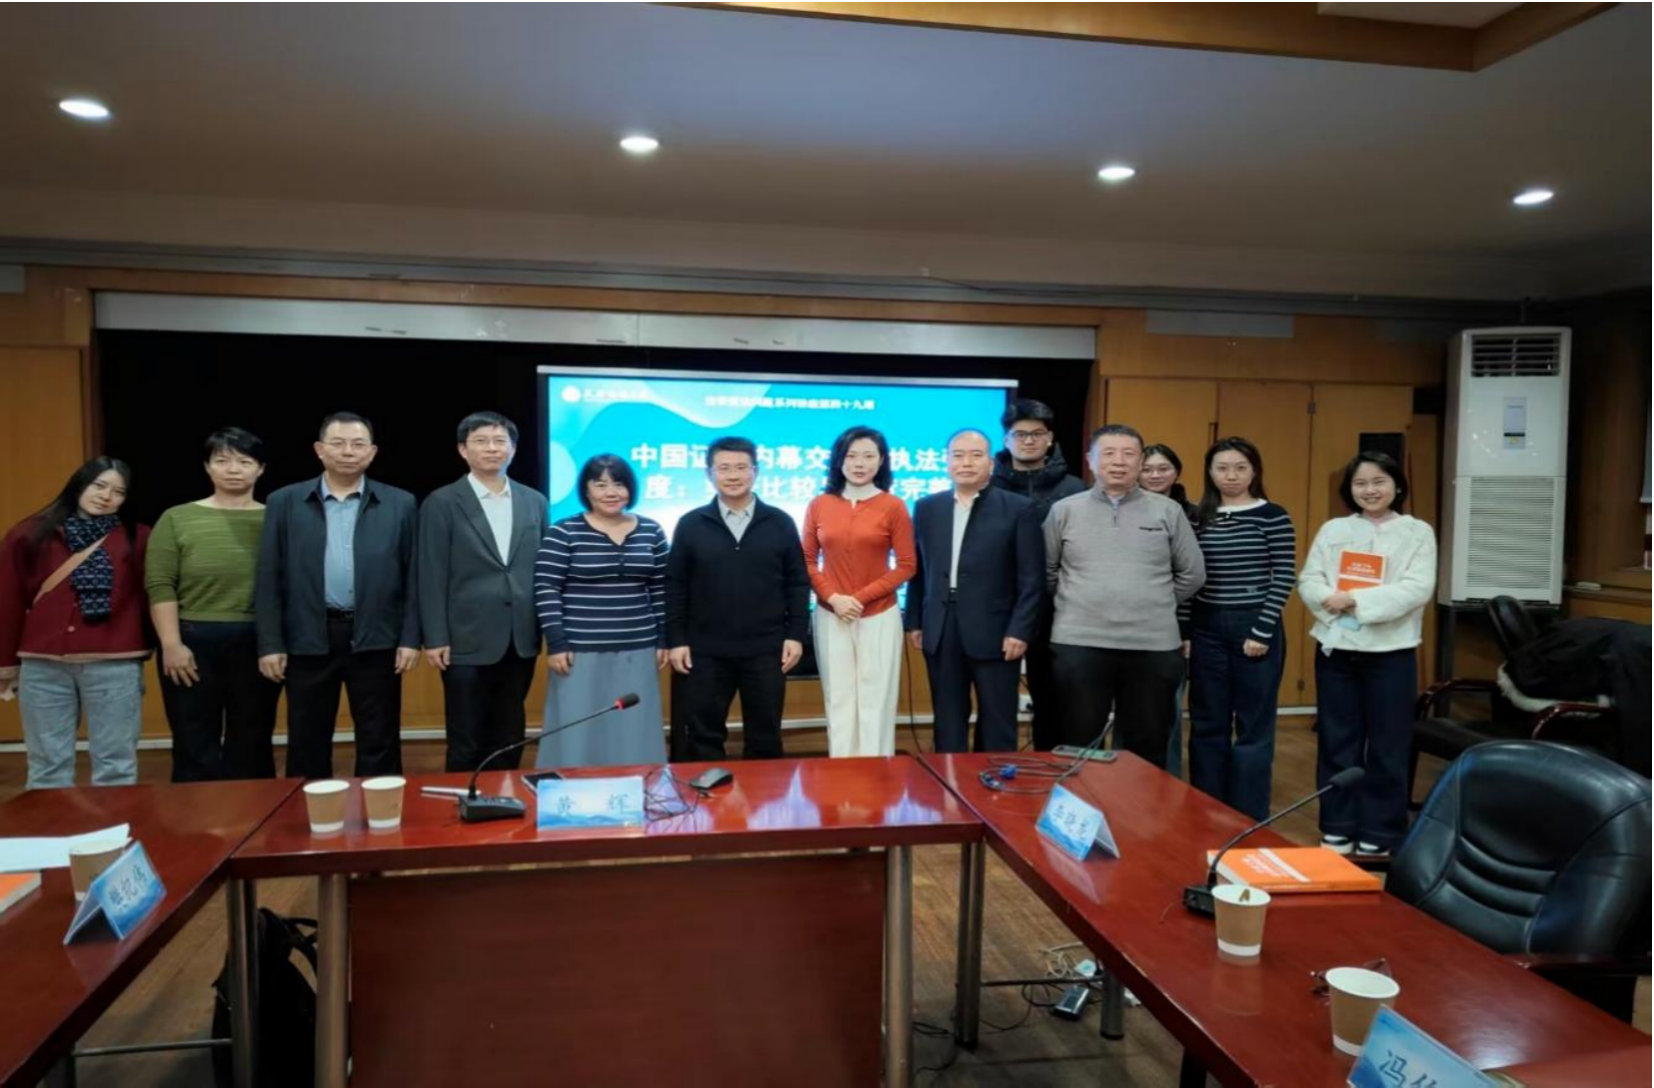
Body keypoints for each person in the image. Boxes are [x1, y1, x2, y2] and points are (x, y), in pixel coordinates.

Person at [255, 412, 420, 779]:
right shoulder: (285, 501)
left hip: (377, 636)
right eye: (338, 443)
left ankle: (380, 811)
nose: (348, 452)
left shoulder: (400, 503)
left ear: (372, 452)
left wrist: (410, 639)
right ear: (319, 449)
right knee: (307, 738)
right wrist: (270, 643)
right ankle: (308, 811)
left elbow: (413, 575)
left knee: (380, 737)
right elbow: (269, 577)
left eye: (358, 444)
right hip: (307, 636)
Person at [1299, 451, 1436, 857]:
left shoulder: (1416, 532)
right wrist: (1330, 598)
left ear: (1397, 485)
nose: (1370, 490)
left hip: (1390, 652)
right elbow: (1309, 579)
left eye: (1379, 482)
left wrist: (1354, 600)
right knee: (1337, 739)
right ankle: (1336, 826)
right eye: (1361, 483)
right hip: (1336, 650)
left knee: (1388, 743)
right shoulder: (1334, 529)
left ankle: (1381, 829)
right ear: (1350, 489)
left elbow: (1416, 588)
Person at [1043, 425, 1204, 765]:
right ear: (1089, 460)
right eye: (1109, 453)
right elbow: (1047, 571)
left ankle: (1139, 803)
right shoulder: (1064, 510)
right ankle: (1084, 802)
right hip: (1080, 642)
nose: (1119, 461)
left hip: (1152, 645)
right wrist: (1081, 599)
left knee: (1148, 744)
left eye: (1129, 454)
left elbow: (1192, 573)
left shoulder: (1167, 511)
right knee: (1078, 742)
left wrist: (1153, 600)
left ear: (1140, 461)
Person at [0, 457, 151, 788]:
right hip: (43, 665)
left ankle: (114, 824)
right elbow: (7, 599)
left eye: (118, 492)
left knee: (116, 766)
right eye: (99, 485)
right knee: (46, 767)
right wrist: (6, 662)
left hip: (114, 664)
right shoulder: (29, 533)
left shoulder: (138, 537)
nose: (106, 496)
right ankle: (49, 824)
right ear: (79, 484)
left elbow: (150, 597)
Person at [146, 428, 280, 781]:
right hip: (191, 639)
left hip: (258, 640)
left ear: (261, 469)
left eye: (244, 462)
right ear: (207, 467)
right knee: (193, 740)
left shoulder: (277, 518)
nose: (233, 469)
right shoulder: (176, 518)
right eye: (222, 461)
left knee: (252, 739)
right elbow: (160, 585)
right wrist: (171, 644)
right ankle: (196, 816)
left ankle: (253, 813)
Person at [418, 412, 549, 772]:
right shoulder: (442, 502)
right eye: (481, 441)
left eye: (500, 441)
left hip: (519, 636)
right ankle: (464, 800)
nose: (492, 448)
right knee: (467, 735)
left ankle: (504, 797)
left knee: (509, 731)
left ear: (513, 449)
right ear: (463, 450)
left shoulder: (534, 501)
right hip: (464, 638)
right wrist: (435, 636)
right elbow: (430, 573)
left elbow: (543, 569)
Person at [665, 436, 809, 760]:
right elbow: (675, 586)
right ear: (709, 474)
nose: (733, 475)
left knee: (765, 735)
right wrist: (676, 639)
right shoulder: (691, 524)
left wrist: (796, 635)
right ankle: (707, 793)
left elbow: (798, 583)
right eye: (724, 468)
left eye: (741, 467)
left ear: (755, 472)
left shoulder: (780, 522)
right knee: (703, 735)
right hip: (705, 651)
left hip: (767, 649)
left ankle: (764, 795)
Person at [905, 429, 1044, 753]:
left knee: (998, 720)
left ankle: (993, 783)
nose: (966, 462)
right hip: (941, 626)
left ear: (991, 463)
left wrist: (1020, 630)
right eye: (958, 455)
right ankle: (948, 781)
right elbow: (920, 571)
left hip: (997, 630)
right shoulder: (927, 508)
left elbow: (1031, 578)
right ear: (946, 462)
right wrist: (915, 621)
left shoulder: (1019, 509)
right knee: (947, 718)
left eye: (975, 455)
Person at [1186, 437, 1297, 821]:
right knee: (1207, 723)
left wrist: (1262, 631)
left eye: (1240, 468)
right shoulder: (1199, 516)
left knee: (1253, 726)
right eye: (1222, 468)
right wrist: (1186, 632)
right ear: (1210, 472)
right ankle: (1206, 811)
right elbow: (1189, 576)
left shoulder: (1272, 515)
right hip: (1206, 627)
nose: (1230, 476)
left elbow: (1284, 575)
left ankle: (1249, 816)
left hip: (1255, 625)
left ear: (1254, 471)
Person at [534, 454, 668, 768]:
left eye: (619, 484)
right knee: (579, 728)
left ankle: (638, 787)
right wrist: (557, 643)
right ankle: (575, 791)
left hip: (638, 646)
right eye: (601, 484)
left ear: (630, 489)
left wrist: (664, 638)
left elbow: (661, 589)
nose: (611, 492)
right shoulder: (563, 531)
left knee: (634, 727)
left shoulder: (651, 530)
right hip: (580, 649)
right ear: (586, 490)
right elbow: (546, 588)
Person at [801, 426, 916, 758]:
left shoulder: (893, 506)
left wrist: (860, 598)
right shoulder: (819, 504)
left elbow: (906, 565)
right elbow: (806, 560)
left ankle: (877, 774)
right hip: (831, 613)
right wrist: (833, 598)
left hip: (879, 615)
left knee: (876, 699)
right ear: (839, 460)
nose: (859, 463)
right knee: (838, 698)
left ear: (881, 461)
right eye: (851, 456)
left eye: (868, 456)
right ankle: (842, 774)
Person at [990, 399, 1085, 750]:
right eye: (1020, 434)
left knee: (1055, 698)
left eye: (1037, 433)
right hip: (1000, 607)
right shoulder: (989, 488)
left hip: (1059, 608)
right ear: (1006, 440)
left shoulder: (1075, 489)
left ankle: (1052, 768)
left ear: (1050, 438)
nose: (1028, 440)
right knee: (994, 699)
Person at [1141, 443, 1200, 777]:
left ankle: (1168, 783)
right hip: (1128, 624)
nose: (1154, 475)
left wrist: (1179, 623)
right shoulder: (1125, 509)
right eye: (1147, 469)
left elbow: (1192, 574)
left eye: (1163, 468)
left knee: (1168, 711)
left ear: (1176, 472)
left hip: (1176, 628)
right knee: (1129, 712)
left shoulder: (1194, 514)